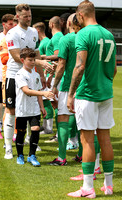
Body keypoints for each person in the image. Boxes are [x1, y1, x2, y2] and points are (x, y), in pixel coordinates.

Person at [67, 0, 117, 198]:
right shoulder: (109, 34)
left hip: (88, 94)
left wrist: (70, 94)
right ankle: (109, 186)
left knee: (87, 140)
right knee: (105, 138)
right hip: (106, 93)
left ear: (80, 15)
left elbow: (79, 67)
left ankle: (88, 188)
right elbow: (113, 69)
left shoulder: (83, 34)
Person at [4, 3, 54, 159]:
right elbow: (17, 57)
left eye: (30, 15)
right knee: (12, 111)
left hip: (32, 77)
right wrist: (40, 63)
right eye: (25, 16)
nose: (28, 18)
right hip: (14, 76)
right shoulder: (12, 33)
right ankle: (8, 148)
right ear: (17, 16)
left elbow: (37, 55)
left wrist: (42, 76)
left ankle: (30, 141)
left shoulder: (33, 32)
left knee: (32, 110)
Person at [15, 48, 54, 166]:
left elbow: (37, 92)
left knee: (36, 129)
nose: (33, 62)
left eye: (34, 60)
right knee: (21, 133)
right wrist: (43, 93)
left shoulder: (36, 74)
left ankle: (32, 155)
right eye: (30, 60)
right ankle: (20, 155)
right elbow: (27, 91)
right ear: (22, 60)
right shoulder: (19, 74)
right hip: (22, 108)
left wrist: (42, 107)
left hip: (34, 109)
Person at [48, 13, 77, 166]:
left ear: (69, 23)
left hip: (68, 85)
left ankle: (61, 157)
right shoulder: (87, 37)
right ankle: (82, 155)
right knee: (85, 123)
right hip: (85, 85)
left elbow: (61, 65)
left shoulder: (66, 39)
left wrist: (54, 86)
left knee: (63, 118)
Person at [0, 14, 14, 139]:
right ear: (4, 24)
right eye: (10, 24)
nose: (12, 26)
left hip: (11, 77)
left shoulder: (14, 36)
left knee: (11, 107)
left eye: (13, 24)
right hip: (0, 77)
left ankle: (11, 131)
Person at [33, 22, 53, 135]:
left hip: (44, 74)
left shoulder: (46, 42)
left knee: (46, 101)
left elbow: (48, 59)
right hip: (40, 73)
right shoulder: (43, 42)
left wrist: (44, 74)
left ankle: (48, 127)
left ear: (38, 31)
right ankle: (46, 126)